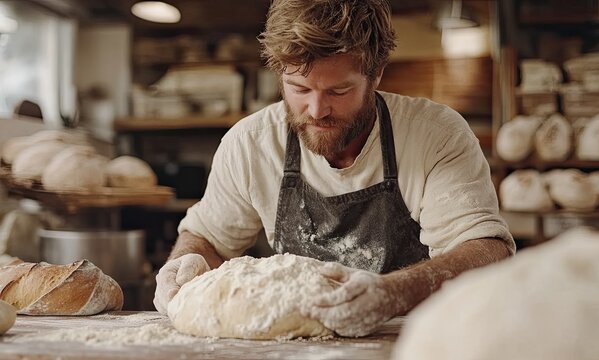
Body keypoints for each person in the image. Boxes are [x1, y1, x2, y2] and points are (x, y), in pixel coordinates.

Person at [154, 0, 515, 337]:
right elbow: (208, 239)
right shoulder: (251, 145)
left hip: (418, 341)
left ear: (375, 76)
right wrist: (185, 262)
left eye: (338, 91)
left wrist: (394, 293)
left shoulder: (433, 135)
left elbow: (484, 249)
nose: (316, 110)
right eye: (298, 88)